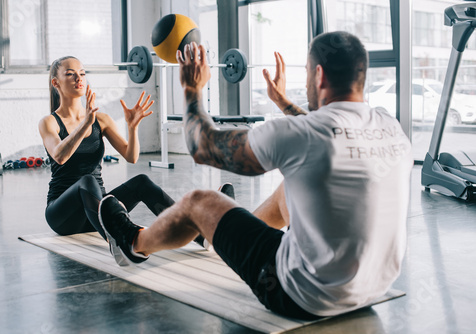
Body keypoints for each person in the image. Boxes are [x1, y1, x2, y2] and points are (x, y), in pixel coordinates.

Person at [98, 31, 413, 318]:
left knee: (199, 202)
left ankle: (132, 244)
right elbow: (332, 132)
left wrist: (192, 90)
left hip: (300, 297)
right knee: (288, 187)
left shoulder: (299, 134)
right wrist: (284, 103)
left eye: (306, 73)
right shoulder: (390, 124)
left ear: (318, 75)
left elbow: (202, 146)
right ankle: (218, 241)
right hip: (372, 290)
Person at [39, 56, 184, 265]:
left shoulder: (101, 120)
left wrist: (133, 128)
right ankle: (122, 239)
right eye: (70, 74)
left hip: (98, 212)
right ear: (56, 83)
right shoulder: (49, 122)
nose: (78, 79)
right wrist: (84, 124)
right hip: (64, 215)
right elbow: (60, 156)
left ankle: (191, 228)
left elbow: (131, 156)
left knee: (141, 181)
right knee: (87, 181)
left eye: (81, 74)